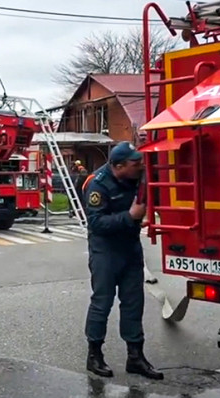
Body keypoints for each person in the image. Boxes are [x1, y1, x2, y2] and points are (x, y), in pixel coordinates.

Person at [83, 141, 162, 380]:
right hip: (105, 250)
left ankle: (135, 357)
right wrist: (129, 216)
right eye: (135, 163)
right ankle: (94, 355)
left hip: (130, 248)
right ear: (118, 166)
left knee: (133, 302)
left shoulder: (137, 177)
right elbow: (96, 224)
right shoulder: (97, 185)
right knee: (102, 302)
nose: (140, 166)